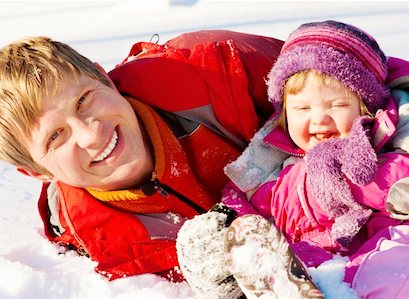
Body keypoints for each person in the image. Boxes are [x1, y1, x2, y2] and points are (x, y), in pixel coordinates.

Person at [176, 20, 409, 299]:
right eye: (302, 107)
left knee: (397, 269)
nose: (319, 118)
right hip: (330, 260)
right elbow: (246, 205)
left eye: (337, 105)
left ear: (366, 105)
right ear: (284, 113)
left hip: (408, 239)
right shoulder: (275, 165)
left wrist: (381, 182)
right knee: (303, 265)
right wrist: (223, 225)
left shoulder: (407, 139)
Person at [0, 30, 284, 281]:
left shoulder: (212, 70)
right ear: (37, 173)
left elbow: (322, 69)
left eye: (83, 100)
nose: (91, 135)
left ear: (106, 79)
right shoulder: (96, 243)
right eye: (55, 136)